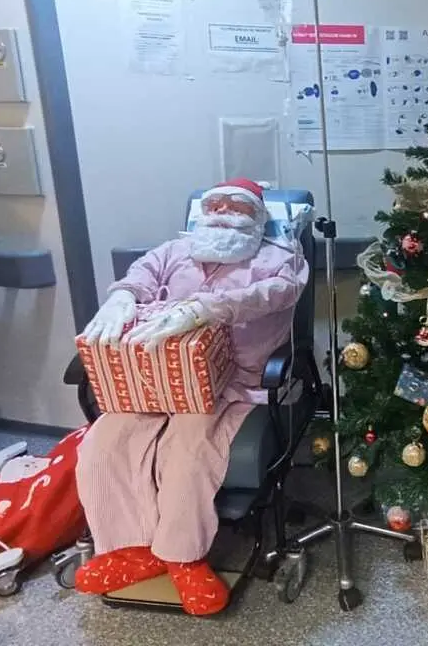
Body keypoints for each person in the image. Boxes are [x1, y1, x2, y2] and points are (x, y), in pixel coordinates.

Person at [74, 178, 308, 615]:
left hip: (230, 386)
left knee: (189, 447)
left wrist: (205, 307)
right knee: (103, 443)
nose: (223, 211)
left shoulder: (282, 260)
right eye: (214, 203)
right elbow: (139, 276)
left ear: (258, 216)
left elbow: (275, 295)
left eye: (237, 206)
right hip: (155, 379)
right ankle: (128, 551)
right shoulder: (173, 252)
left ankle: (182, 557)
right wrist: (121, 298)